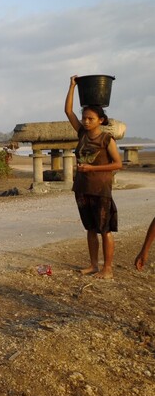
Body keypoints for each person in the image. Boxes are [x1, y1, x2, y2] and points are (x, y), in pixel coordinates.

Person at [64, 75, 123, 279]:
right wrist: (72, 86)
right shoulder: (82, 134)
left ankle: (108, 268)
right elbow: (68, 111)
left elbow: (118, 164)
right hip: (82, 189)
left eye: (91, 119)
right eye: (84, 118)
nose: (86, 122)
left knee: (104, 229)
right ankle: (93, 265)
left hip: (101, 190)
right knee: (90, 228)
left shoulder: (106, 139)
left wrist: (92, 169)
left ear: (101, 120)